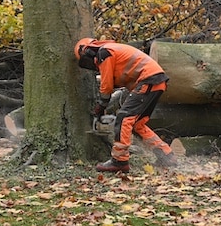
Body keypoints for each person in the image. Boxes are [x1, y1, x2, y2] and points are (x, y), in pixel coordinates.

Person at [74, 37, 178, 173]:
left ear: (88, 51)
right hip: (155, 81)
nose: (90, 65)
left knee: (123, 118)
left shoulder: (104, 53)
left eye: (86, 61)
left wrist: (100, 106)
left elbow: (106, 87)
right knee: (137, 124)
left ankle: (119, 160)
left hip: (148, 79)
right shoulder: (112, 52)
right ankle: (166, 155)